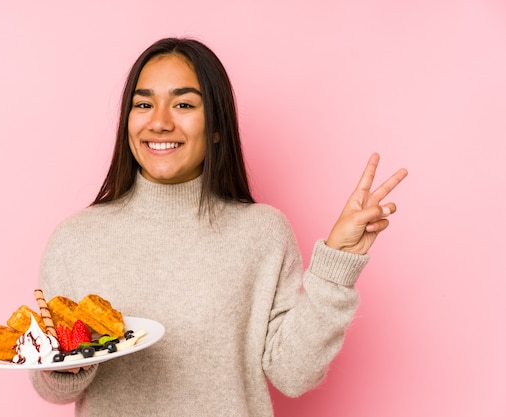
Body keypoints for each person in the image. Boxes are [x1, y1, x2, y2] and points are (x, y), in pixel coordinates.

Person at [29, 37, 408, 416]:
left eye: (183, 104)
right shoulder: (75, 240)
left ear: (216, 126)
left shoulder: (262, 233)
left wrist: (336, 265)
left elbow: (294, 375)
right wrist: (67, 366)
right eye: (143, 104)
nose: (159, 122)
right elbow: (53, 387)